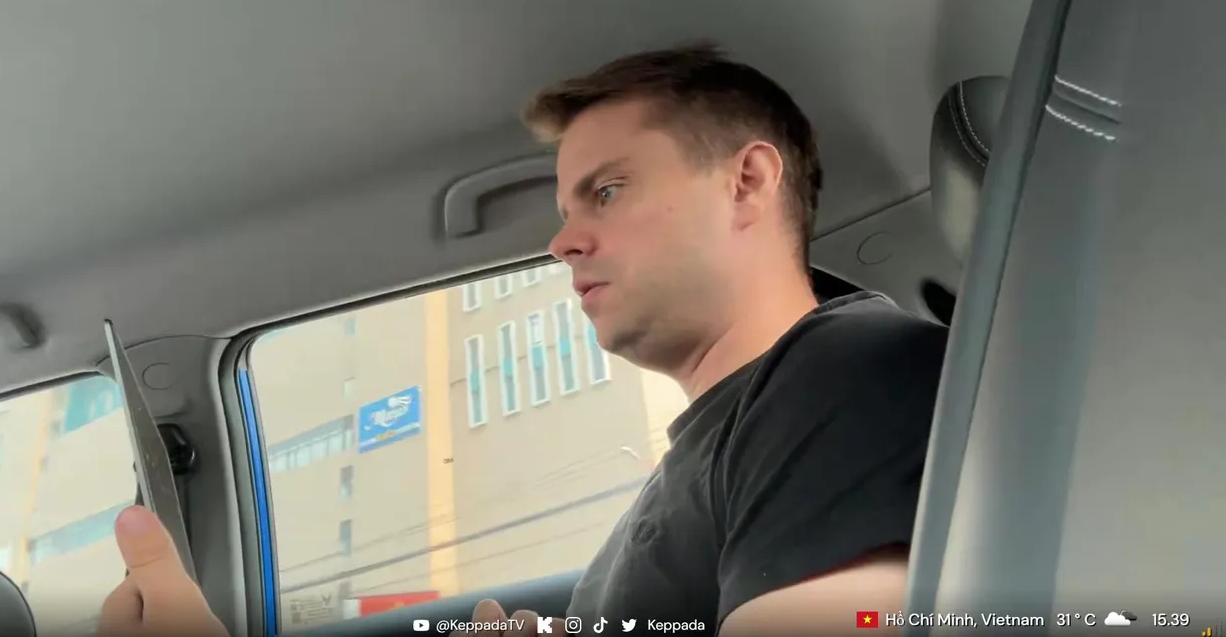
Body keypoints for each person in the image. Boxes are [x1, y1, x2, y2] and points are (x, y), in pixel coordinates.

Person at [98, 43, 949, 637]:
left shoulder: (848, 375)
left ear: (747, 181)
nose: (562, 242)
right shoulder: (714, 450)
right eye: (567, 210)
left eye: (607, 192)